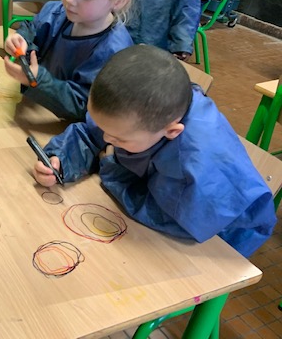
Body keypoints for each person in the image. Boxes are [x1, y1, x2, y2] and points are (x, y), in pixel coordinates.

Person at [33, 45, 276, 258]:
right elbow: (91, 132)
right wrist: (61, 159)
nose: (106, 139)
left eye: (118, 138)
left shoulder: (196, 163)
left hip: (219, 232)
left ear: (171, 131)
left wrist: (112, 170)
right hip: (174, 194)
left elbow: (167, 216)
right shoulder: (137, 115)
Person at [3, 0, 140, 121]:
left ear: (118, 1)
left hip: (65, 131)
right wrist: (21, 40)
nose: (69, 0)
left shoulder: (114, 51)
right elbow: (32, 29)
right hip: (33, 111)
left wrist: (38, 80)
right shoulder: (57, 12)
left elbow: (84, 107)